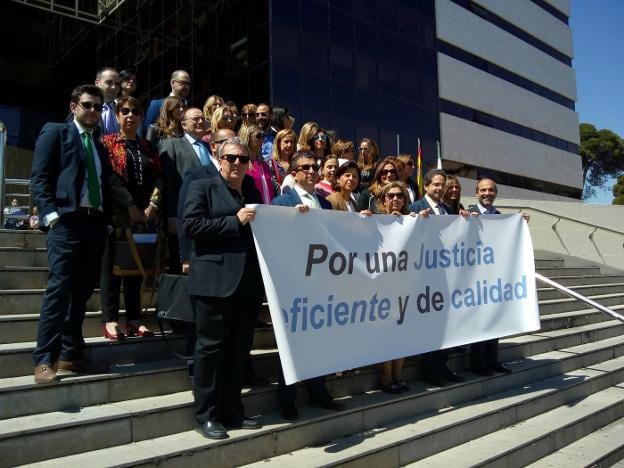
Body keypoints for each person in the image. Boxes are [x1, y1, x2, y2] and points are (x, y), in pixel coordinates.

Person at [30, 84, 130, 383]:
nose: (92, 111)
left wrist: (109, 221)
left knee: (83, 292)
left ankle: (71, 354)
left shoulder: (99, 145)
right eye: (87, 105)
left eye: (98, 107)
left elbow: (106, 183)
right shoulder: (56, 132)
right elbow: (41, 176)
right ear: (74, 106)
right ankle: (45, 358)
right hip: (67, 223)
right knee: (60, 289)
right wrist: (51, 217)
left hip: (94, 225)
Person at [183, 137, 264, 440]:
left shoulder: (253, 191)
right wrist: (235, 221)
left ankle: (233, 409)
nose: (237, 164)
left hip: (246, 285)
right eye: (231, 158)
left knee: (238, 350)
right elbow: (191, 226)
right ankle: (206, 415)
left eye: (243, 159)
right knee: (210, 351)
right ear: (219, 158)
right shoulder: (201, 187)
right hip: (213, 283)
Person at [271, 151, 343, 420]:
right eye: (305, 167)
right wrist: (290, 218)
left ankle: (318, 389)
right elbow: (276, 237)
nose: (312, 171)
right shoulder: (282, 201)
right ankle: (287, 398)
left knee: (319, 339)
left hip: (322, 280)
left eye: (315, 166)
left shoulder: (325, 203)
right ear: (294, 172)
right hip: (294, 281)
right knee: (291, 341)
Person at [99, 97, 162, 341]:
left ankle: (135, 320)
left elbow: (159, 177)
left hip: (144, 216)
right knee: (111, 268)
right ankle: (110, 318)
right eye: (125, 111)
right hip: (115, 215)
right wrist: (130, 206)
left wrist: (153, 203)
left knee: (137, 267)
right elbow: (110, 178)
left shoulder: (148, 147)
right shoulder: (107, 143)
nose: (130, 115)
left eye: (136, 111)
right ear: (117, 115)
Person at [408, 169, 465, 386]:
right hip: (424, 277)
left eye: (443, 185)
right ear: (427, 186)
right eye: (437, 185)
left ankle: (443, 365)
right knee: (430, 326)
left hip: (447, 275)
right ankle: (430, 370)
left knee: (446, 324)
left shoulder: (449, 209)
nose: (441, 189)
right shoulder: (415, 208)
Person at [468, 178, 529, 375]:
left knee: (495, 321)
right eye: (483, 190)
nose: (487, 193)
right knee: (478, 323)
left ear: (496, 193)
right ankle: (479, 364)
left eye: (491, 190)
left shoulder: (500, 217)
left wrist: (518, 223)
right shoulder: (467, 213)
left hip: (494, 280)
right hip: (473, 280)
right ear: (476, 193)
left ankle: (493, 360)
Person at [159, 107, 211, 272]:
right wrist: (171, 215)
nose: (200, 121)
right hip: (183, 215)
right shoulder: (172, 145)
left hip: (208, 217)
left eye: (202, 118)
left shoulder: (210, 148)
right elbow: (167, 182)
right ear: (183, 124)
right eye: (195, 119)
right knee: (182, 267)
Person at [375, 181, 413, 393]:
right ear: (383, 200)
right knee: (387, 332)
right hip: (382, 286)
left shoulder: (411, 221)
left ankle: (399, 374)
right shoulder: (375, 220)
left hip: (405, 284)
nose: (395, 199)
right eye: (390, 196)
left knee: (402, 332)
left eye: (399, 196)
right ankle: (386, 377)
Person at [239, 123, 274, 204]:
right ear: (247, 137)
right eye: (258, 136)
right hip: (252, 210)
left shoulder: (264, 165)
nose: (262, 140)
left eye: (263, 136)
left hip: (269, 211)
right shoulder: (242, 164)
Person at [268, 128, 297, 196]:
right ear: (278, 143)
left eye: (291, 142)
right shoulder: (270, 163)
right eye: (286, 141)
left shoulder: (298, 163)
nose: (289, 145)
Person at [95, 67, 120, 135]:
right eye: (109, 82)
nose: (114, 87)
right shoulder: (85, 107)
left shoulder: (122, 109)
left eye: (117, 84)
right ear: (97, 83)